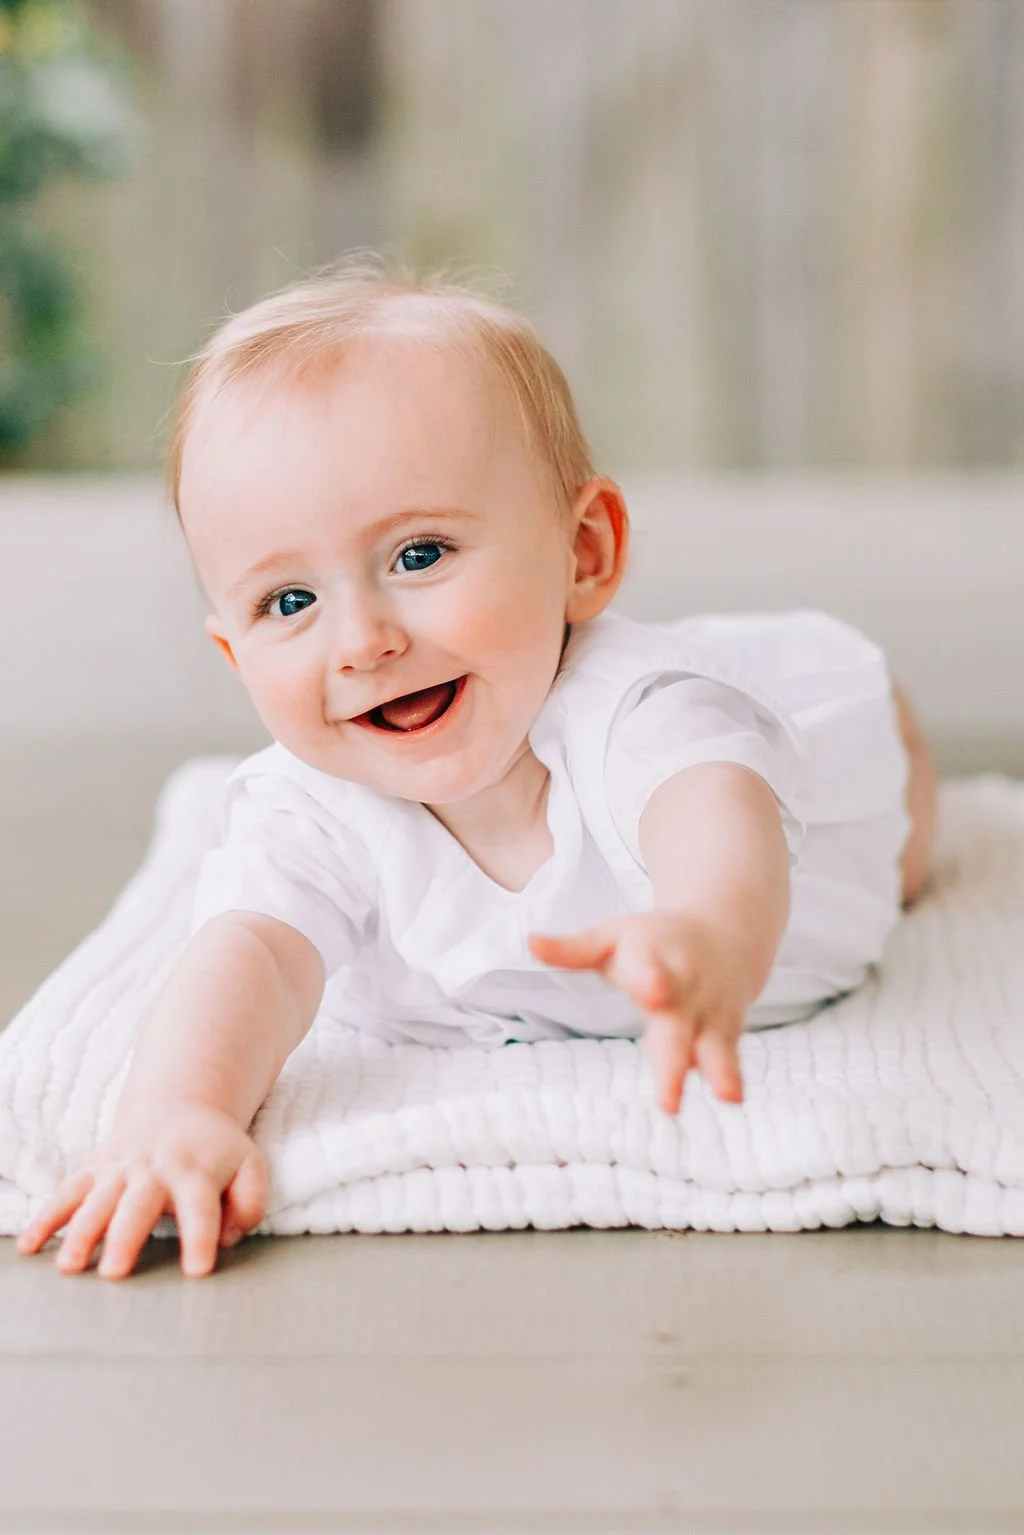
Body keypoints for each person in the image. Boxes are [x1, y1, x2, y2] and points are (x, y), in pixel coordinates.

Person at [18, 259, 937, 1280]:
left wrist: (706, 930)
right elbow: (257, 958)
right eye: (288, 603)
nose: (360, 640)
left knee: (892, 820)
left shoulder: (639, 716)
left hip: (812, 815)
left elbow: (713, 816)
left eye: (417, 556)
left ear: (584, 551)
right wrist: (176, 1112)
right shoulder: (312, 799)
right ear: (233, 652)